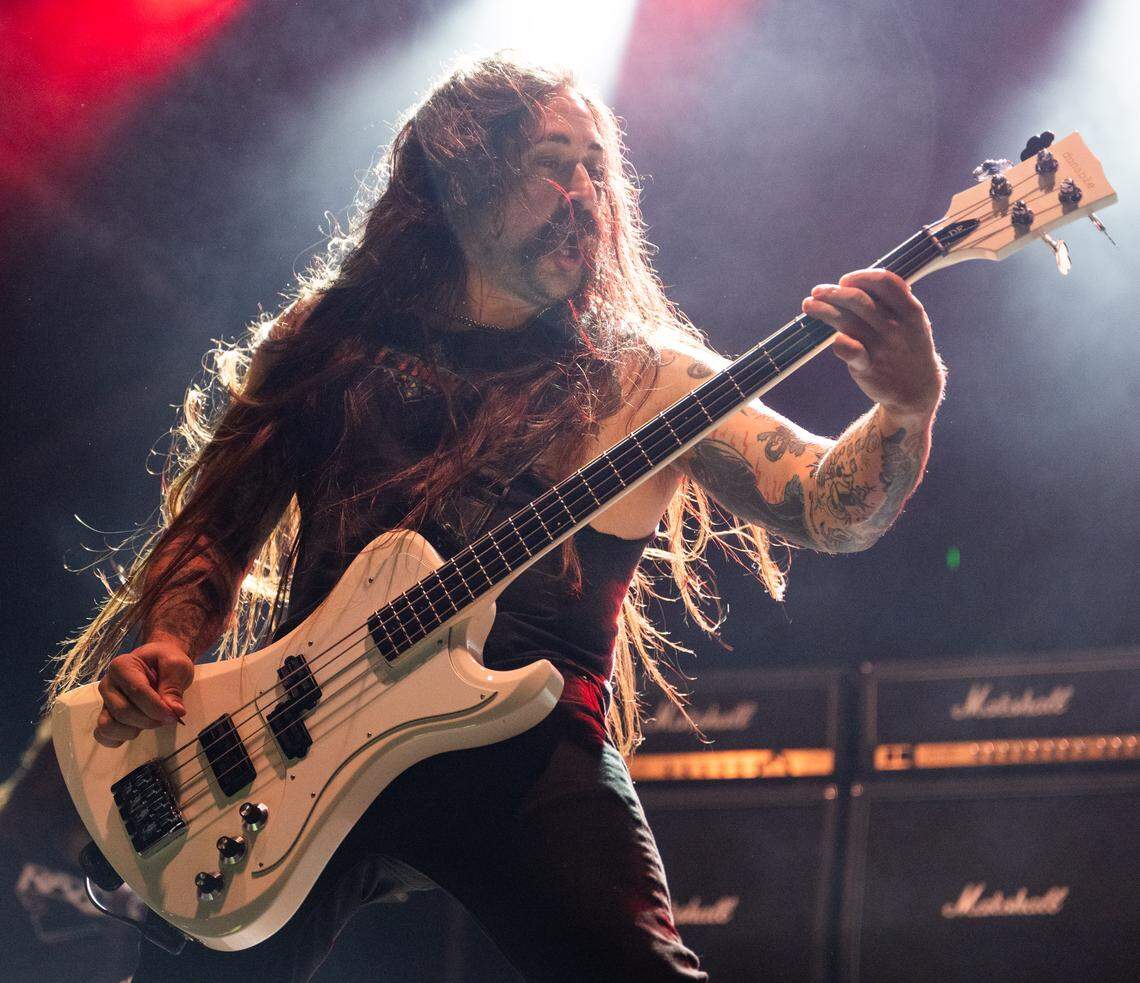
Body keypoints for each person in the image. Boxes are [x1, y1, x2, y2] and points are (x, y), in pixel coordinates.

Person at [48, 54, 943, 982]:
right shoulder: (330, 342)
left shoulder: (644, 380)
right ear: (459, 176)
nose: (584, 192)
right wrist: (169, 637)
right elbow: (215, 525)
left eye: (597, 167)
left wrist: (905, 408)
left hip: (523, 751)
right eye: (553, 162)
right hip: (297, 737)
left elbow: (827, 506)